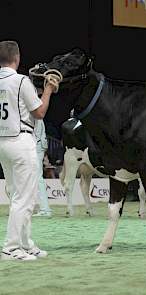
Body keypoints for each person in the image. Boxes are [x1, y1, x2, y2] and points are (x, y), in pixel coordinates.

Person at [0, 40, 58, 261]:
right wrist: (49, 90)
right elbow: (39, 112)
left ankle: (25, 244)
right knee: (24, 198)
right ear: (17, 58)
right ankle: (11, 248)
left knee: (18, 195)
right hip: (20, 141)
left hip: (3, 142)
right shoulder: (21, 80)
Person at [33, 119, 52, 217]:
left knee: (37, 178)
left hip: (36, 147)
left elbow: (35, 135)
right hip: (37, 147)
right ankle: (43, 208)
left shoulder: (35, 116)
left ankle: (45, 209)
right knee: (36, 178)